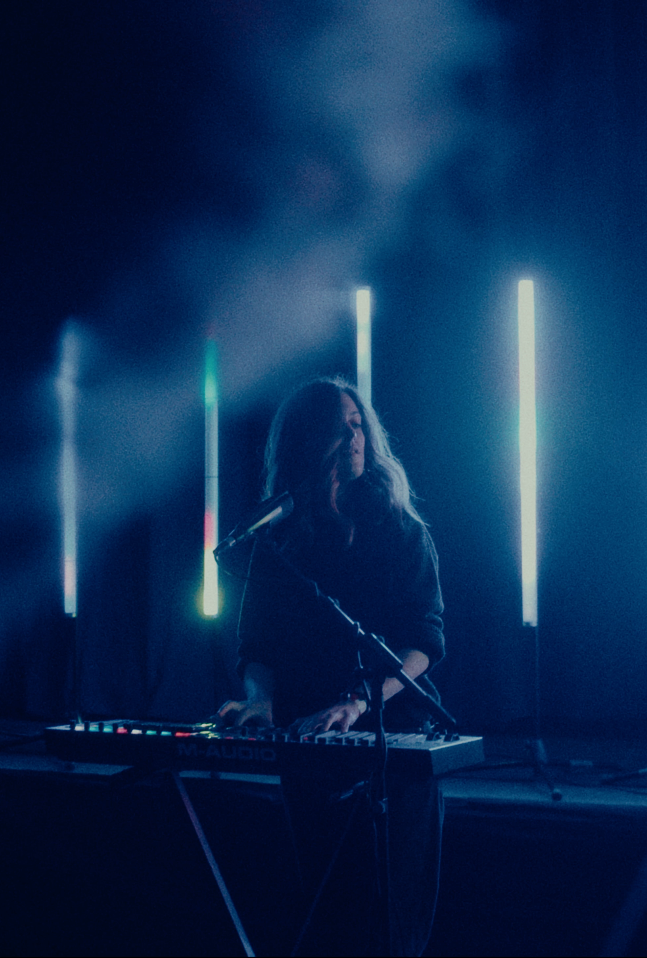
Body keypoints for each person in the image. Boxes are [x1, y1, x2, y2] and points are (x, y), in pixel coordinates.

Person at [216, 377, 445, 956]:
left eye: (358, 424)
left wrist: (360, 701)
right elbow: (256, 645)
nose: (354, 437)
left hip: (394, 734)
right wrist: (260, 698)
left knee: (389, 921)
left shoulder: (401, 532)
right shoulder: (278, 541)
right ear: (306, 441)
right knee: (325, 913)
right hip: (309, 735)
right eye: (339, 427)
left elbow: (423, 643)